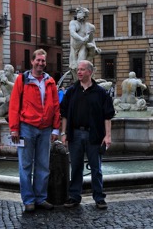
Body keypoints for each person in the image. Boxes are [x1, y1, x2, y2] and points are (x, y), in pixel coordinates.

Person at [9, 49, 60, 213]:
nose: (40, 63)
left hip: (45, 129)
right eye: (38, 60)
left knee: (43, 166)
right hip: (26, 127)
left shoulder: (50, 81)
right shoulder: (22, 79)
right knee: (25, 165)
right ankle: (29, 200)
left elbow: (55, 106)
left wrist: (56, 128)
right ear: (32, 61)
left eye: (43, 61)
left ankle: (41, 198)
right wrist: (14, 129)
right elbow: (14, 105)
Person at [60, 60, 115, 210]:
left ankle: (99, 197)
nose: (79, 72)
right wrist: (64, 133)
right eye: (78, 69)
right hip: (75, 134)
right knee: (76, 167)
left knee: (96, 168)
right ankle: (74, 196)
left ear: (90, 72)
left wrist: (108, 136)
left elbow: (107, 116)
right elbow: (63, 113)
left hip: (94, 135)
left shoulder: (101, 92)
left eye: (82, 70)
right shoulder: (71, 91)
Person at [69, 7, 101, 79]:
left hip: (84, 46)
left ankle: (85, 77)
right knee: (75, 65)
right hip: (75, 46)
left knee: (81, 63)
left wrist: (95, 48)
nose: (77, 14)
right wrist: (82, 39)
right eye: (77, 12)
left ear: (85, 14)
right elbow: (72, 33)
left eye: (80, 12)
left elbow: (91, 39)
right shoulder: (73, 23)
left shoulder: (90, 27)